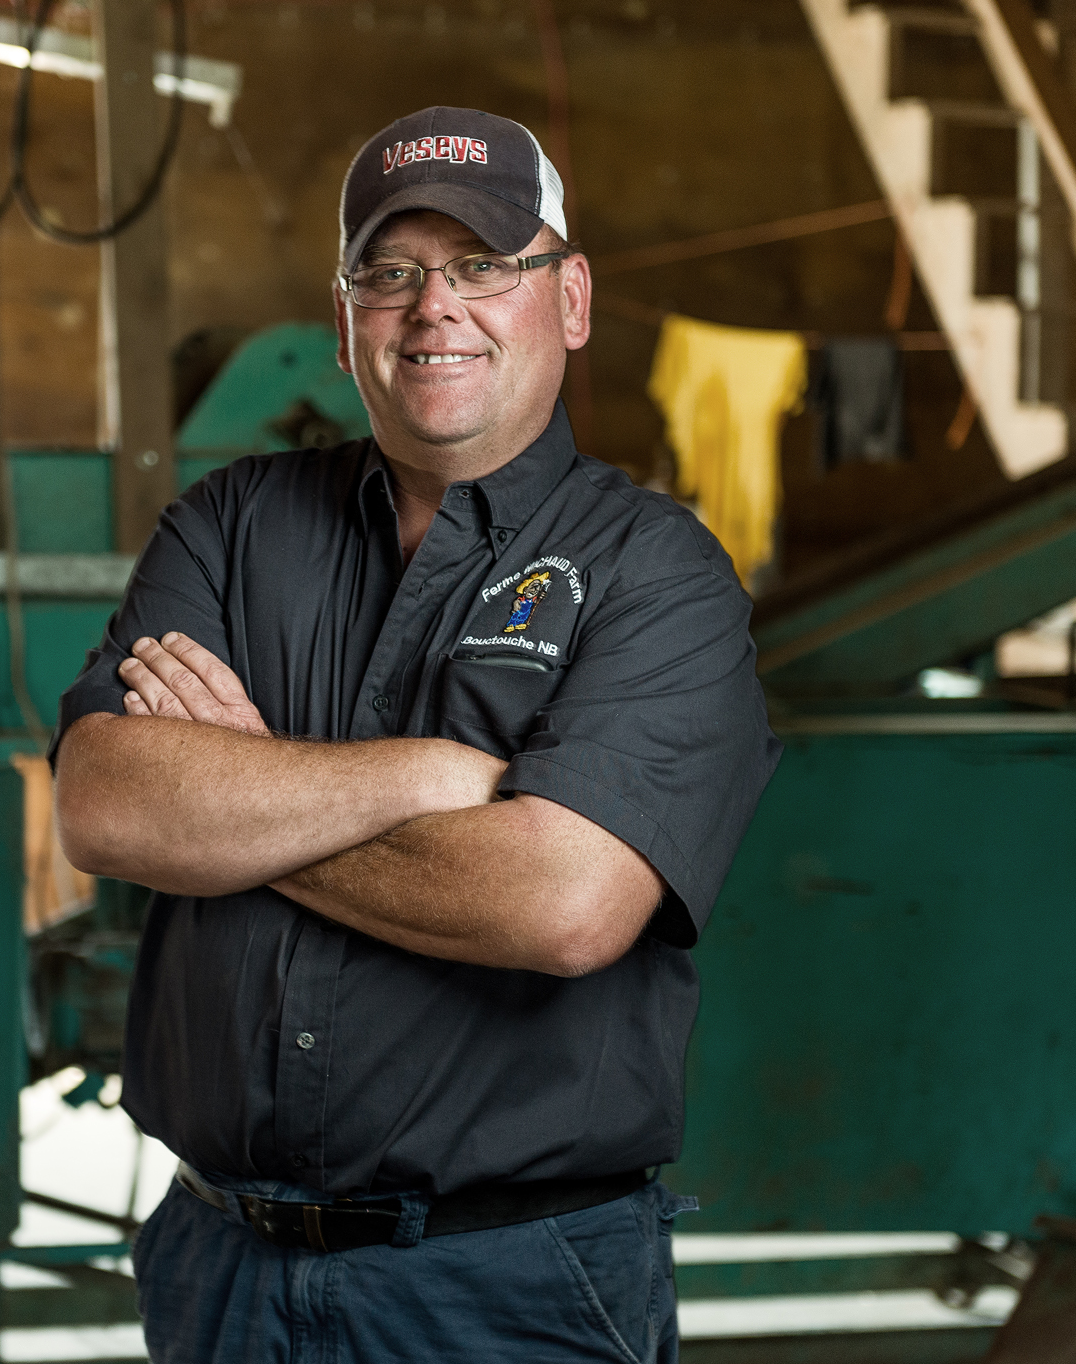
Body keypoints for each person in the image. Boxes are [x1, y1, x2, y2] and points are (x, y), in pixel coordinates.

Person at [50, 105, 781, 1364]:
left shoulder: (655, 573)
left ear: (571, 298)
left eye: (483, 266)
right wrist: (428, 778)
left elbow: (559, 901)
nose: (432, 308)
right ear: (344, 322)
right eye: (387, 274)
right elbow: (107, 804)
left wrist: (232, 805)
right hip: (219, 1267)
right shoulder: (229, 527)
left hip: (510, 1284)